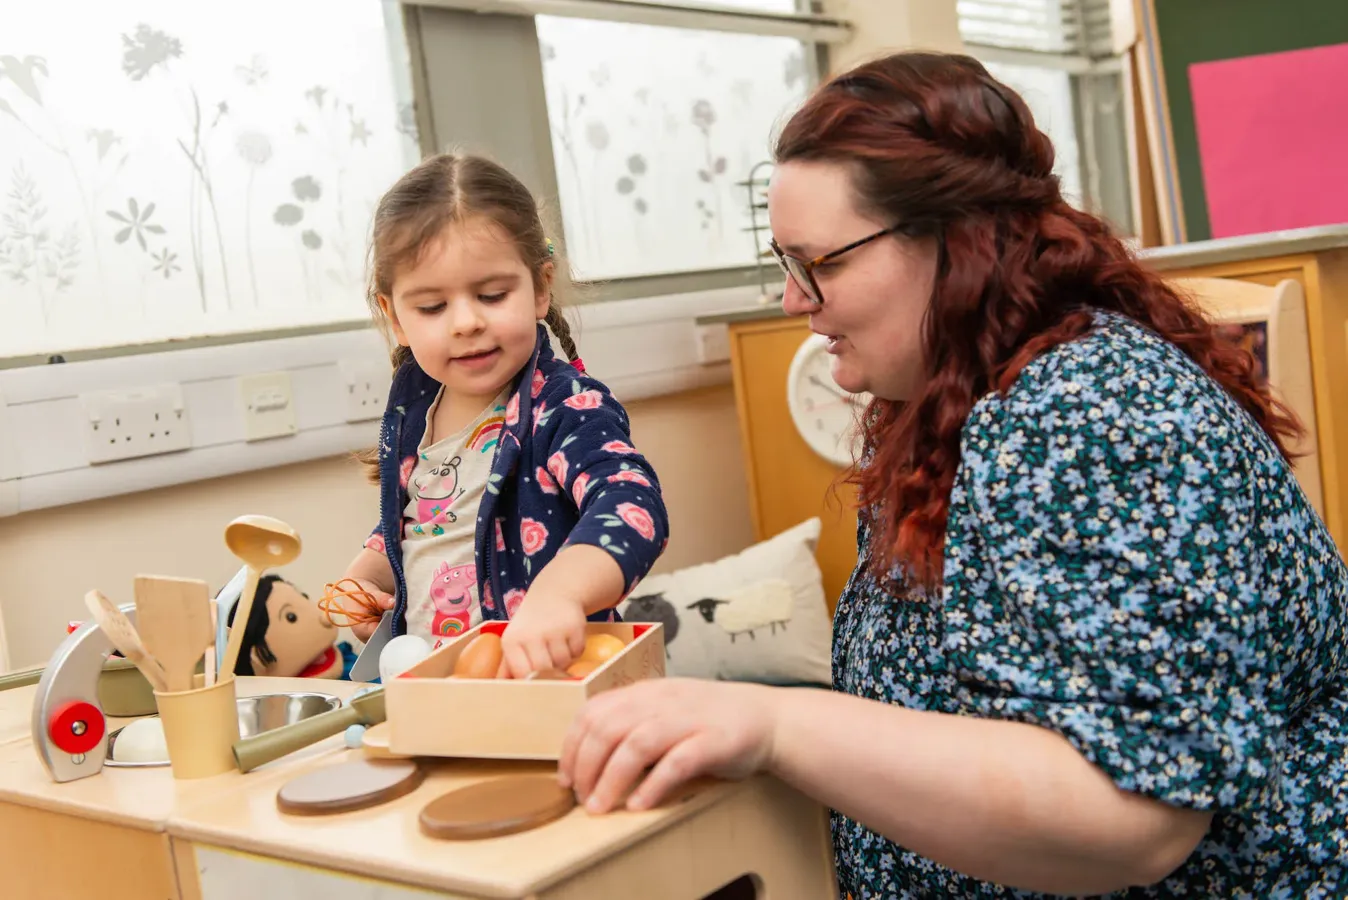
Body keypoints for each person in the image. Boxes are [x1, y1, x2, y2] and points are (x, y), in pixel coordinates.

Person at [558, 52, 1348, 898]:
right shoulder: (948, 401)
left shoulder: (1091, 413)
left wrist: (778, 723)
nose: (794, 301)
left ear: (957, 241)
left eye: (819, 263)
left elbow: (1134, 812)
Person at [338, 153, 669, 678]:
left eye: (491, 295)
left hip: (547, 684)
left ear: (540, 287)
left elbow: (631, 507)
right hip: (438, 689)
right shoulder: (415, 416)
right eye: (431, 307)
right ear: (393, 316)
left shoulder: (565, 407)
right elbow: (422, 523)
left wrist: (560, 593)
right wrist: (370, 576)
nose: (466, 322)